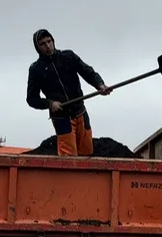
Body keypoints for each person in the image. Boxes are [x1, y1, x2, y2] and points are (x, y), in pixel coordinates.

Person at [26, 28, 112, 156]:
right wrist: (50, 104)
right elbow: (32, 99)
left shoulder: (68, 56)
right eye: (43, 44)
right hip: (61, 117)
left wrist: (100, 85)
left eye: (49, 41)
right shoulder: (36, 69)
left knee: (87, 152)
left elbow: (88, 72)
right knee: (68, 157)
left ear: (53, 41)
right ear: (38, 48)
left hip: (80, 111)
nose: (48, 46)